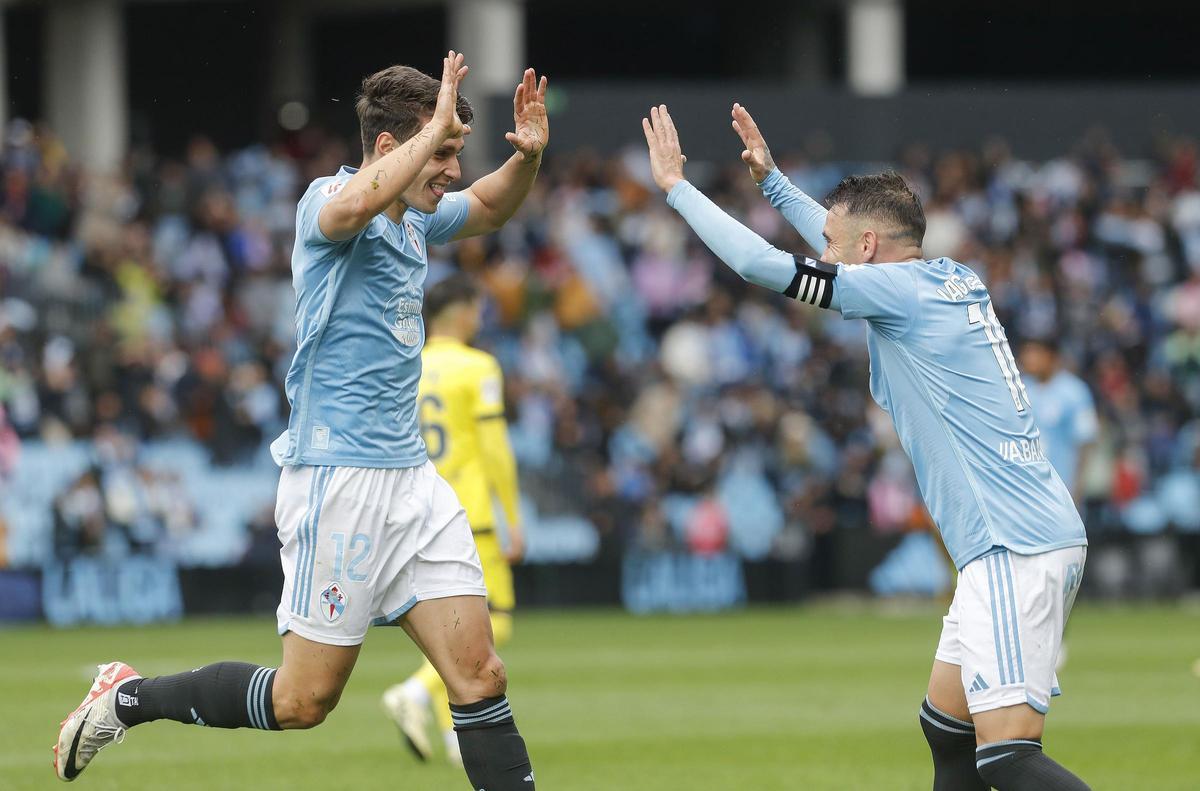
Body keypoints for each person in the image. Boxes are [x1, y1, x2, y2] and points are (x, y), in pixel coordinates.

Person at [55, 52, 548, 791]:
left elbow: (489, 207)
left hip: (412, 482)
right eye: (441, 151)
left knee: (479, 672)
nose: (449, 169)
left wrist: (530, 159)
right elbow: (350, 208)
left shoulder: (416, 217)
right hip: (336, 480)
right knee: (302, 700)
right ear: (389, 148)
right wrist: (429, 140)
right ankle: (129, 696)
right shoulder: (328, 202)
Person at [641, 103, 1090, 791]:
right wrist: (771, 181)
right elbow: (841, 242)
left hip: (1012, 543)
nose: (825, 251)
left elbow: (765, 267)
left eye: (833, 239)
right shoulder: (951, 277)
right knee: (948, 730)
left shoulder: (899, 293)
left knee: (1009, 756)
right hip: (1019, 535)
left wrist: (677, 187)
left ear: (872, 248)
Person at [381, 273, 525, 765]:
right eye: (478, 308)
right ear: (462, 311)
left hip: (415, 509)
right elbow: (495, 447)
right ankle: (415, 692)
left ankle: (454, 740)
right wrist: (514, 517)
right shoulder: (478, 367)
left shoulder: (405, 365)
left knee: (450, 627)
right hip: (467, 513)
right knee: (494, 624)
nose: (481, 317)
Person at [1019, 339, 1098, 503]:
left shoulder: (1075, 391)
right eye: (1026, 352)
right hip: (1026, 488)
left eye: (1035, 353)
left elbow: (1085, 443)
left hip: (1061, 487)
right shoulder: (1019, 389)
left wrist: (1077, 490)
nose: (1028, 358)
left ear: (1051, 356)